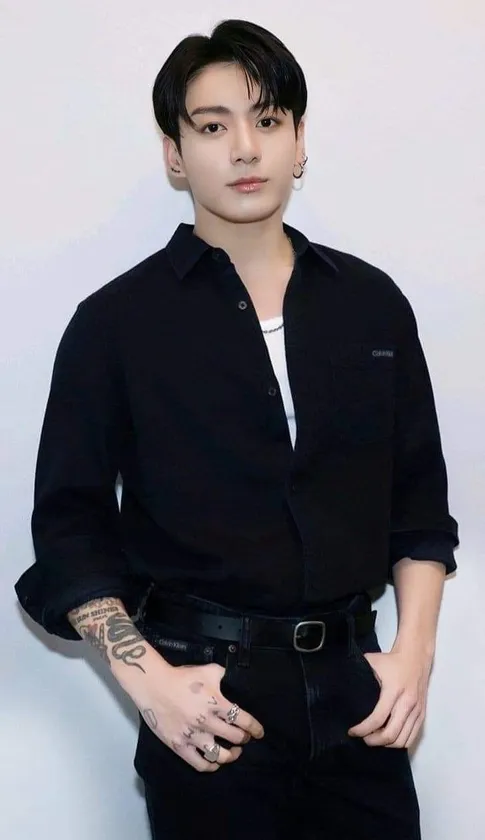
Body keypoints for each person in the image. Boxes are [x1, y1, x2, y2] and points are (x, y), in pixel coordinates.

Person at [15, 18, 459, 840]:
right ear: (175, 154)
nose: (245, 149)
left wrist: (413, 660)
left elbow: (419, 504)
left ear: (299, 141)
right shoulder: (115, 323)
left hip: (357, 695)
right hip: (207, 701)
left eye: (268, 119)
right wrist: (150, 684)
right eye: (213, 126)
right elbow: (71, 531)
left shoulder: (370, 305)